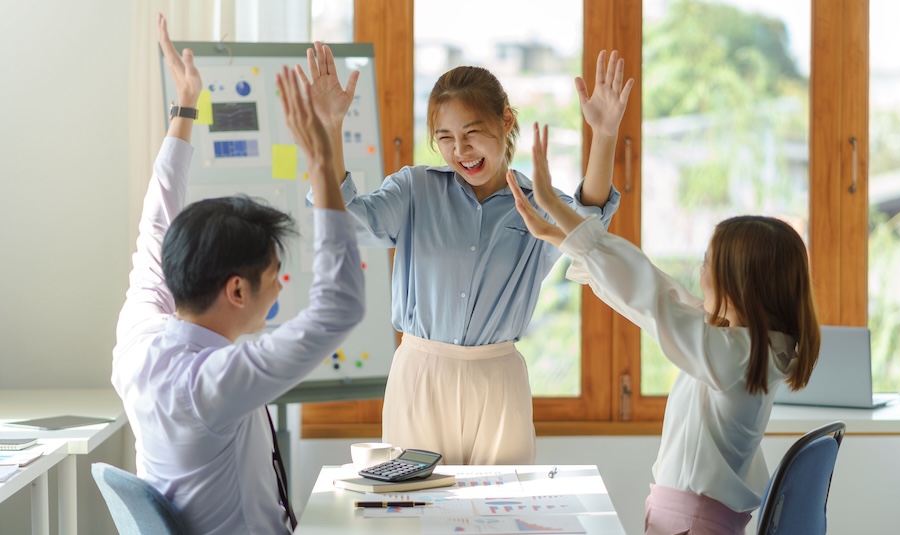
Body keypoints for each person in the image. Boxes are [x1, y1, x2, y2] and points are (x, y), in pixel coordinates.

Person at [296, 43, 633, 465]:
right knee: (415, 513)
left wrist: (604, 135)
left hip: (498, 376)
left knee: (503, 512)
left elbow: (588, 228)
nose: (461, 150)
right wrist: (330, 128)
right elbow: (342, 219)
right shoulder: (414, 189)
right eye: (446, 138)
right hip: (420, 373)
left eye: (472, 133)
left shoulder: (535, 201)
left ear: (505, 119)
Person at [111, 15, 364, 534]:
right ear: (236, 290)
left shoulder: (140, 337)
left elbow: (157, 219)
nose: (280, 285)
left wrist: (185, 106)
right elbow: (339, 309)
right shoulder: (212, 383)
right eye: (274, 274)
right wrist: (321, 160)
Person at [506, 123, 821, 535]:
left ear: (741, 285)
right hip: (696, 520)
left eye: (708, 264)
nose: (700, 272)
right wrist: (559, 234)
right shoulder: (750, 346)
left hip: (689, 525)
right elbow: (657, 298)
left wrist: (557, 208)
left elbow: (651, 297)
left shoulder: (732, 355)